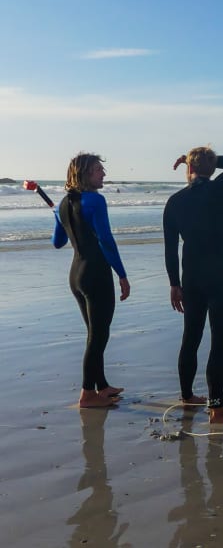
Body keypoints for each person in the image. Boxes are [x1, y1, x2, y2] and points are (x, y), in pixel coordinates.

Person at [163, 147, 223, 424]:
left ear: (188, 170)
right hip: (220, 278)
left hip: (191, 280)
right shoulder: (220, 189)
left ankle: (187, 396)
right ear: (210, 168)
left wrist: (174, 284)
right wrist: (204, 161)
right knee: (220, 343)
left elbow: (170, 250)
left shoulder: (174, 202)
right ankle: (216, 409)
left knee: (191, 338)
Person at [52, 153, 130, 408]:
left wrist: (59, 218)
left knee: (94, 334)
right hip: (96, 275)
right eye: (98, 170)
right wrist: (122, 274)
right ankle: (87, 394)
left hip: (76, 276)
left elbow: (58, 242)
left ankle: (102, 386)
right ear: (85, 173)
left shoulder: (64, 204)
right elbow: (105, 240)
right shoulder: (95, 201)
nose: (103, 174)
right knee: (98, 336)